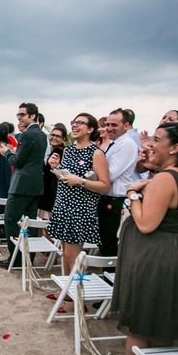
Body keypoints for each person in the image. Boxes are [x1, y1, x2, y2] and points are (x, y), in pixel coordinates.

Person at [101, 123, 178, 355]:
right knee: (164, 321)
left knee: (141, 322)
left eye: (157, 140)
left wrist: (133, 194)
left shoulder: (164, 180)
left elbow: (146, 223)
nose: (150, 143)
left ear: (175, 148)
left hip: (156, 257)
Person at [47, 114, 110, 274]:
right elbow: (66, 177)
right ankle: (67, 294)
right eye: (73, 122)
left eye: (80, 123)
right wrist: (55, 168)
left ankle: (77, 294)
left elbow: (104, 186)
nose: (75, 125)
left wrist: (81, 181)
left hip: (79, 210)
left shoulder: (96, 153)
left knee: (72, 255)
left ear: (90, 129)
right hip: (62, 205)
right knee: (65, 253)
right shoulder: (68, 150)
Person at [0, 102, 47, 268]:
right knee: (30, 222)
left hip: (21, 185)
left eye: (22, 115)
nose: (19, 118)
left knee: (11, 220)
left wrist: (7, 152)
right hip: (35, 185)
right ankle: (28, 259)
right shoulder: (42, 135)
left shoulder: (27, 135)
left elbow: (18, 162)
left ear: (32, 116)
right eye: (18, 115)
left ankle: (16, 259)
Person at [97, 108, 138, 256]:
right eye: (107, 124)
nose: (109, 128)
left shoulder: (126, 144)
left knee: (110, 247)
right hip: (108, 199)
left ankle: (112, 278)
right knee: (105, 244)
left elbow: (110, 175)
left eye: (114, 125)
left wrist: (86, 179)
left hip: (116, 201)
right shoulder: (113, 143)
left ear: (126, 126)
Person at [38, 123, 68, 220]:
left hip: (51, 193)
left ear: (64, 139)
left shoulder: (58, 152)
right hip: (50, 192)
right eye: (52, 135)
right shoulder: (58, 150)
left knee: (46, 226)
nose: (54, 138)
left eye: (58, 136)